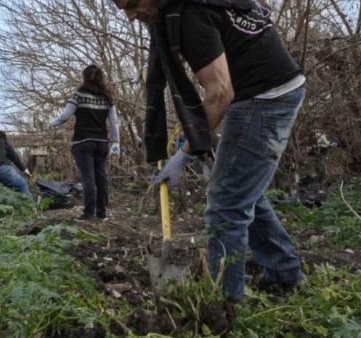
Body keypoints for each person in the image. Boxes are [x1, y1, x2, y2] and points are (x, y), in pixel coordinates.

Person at [112, 0, 305, 302]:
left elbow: (220, 92)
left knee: (225, 205)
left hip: (265, 97)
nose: (131, 16)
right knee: (241, 189)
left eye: (133, 3)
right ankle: (284, 273)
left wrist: (186, 154)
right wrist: (189, 139)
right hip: (272, 88)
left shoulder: (190, 16)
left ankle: (222, 306)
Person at [50, 65, 121, 221]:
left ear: (84, 77)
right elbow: (114, 122)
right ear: (102, 77)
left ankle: (88, 214)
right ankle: (101, 213)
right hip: (102, 143)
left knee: (88, 178)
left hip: (83, 143)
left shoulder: (79, 95)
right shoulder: (108, 97)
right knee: (101, 177)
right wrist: (116, 143)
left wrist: (51, 124)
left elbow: (65, 116)